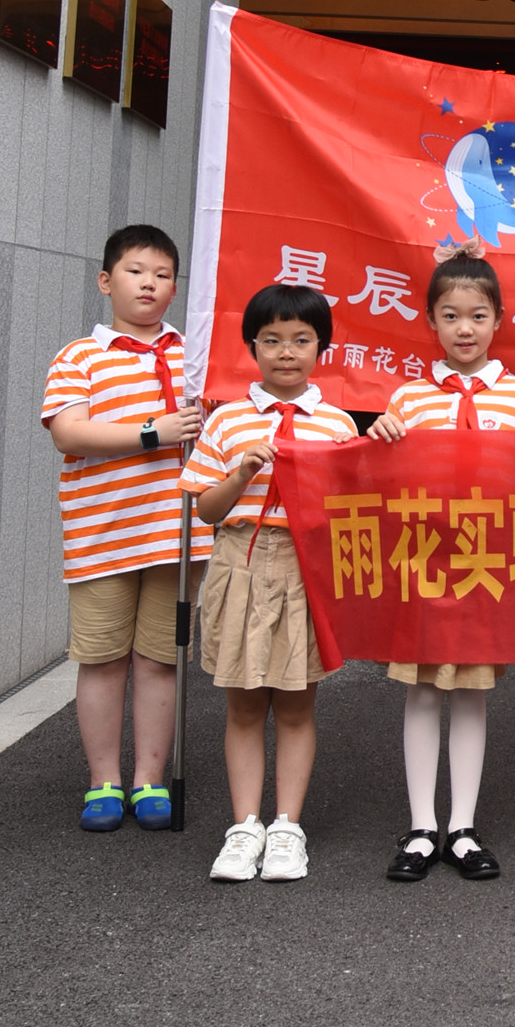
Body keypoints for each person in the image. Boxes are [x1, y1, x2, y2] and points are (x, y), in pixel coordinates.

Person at [368, 251, 515, 882]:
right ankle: (421, 827)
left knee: (472, 692)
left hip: (484, 562)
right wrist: (382, 436)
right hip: (423, 560)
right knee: (421, 690)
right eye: (451, 316)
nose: (465, 328)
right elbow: (382, 481)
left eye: (477, 315)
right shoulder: (409, 398)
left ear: (499, 319)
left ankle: (463, 827)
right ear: (431, 321)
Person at [183, 283, 357, 882]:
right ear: (251, 347)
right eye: (273, 340)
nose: (287, 352)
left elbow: (350, 506)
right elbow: (205, 509)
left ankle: (287, 827)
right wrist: (241, 473)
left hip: (306, 567)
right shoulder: (228, 419)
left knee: (297, 700)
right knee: (243, 701)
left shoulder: (336, 422)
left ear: (322, 348)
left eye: (302, 340)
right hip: (240, 560)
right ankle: (243, 827)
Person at [41, 225, 203, 832]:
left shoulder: (194, 355)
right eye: (137, 272)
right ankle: (103, 779)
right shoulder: (79, 357)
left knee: (161, 660)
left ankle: (148, 779)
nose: (150, 285)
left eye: (163, 276)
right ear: (107, 281)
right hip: (101, 535)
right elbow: (68, 432)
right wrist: (150, 434)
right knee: (103, 660)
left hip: (176, 537)